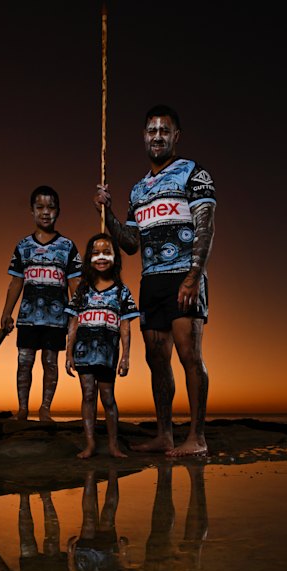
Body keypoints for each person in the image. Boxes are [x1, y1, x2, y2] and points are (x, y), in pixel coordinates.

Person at [94, 104, 216, 457]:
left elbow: (206, 228)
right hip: (151, 282)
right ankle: (165, 435)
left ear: (176, 136)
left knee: (189, 355)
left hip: (184, 276)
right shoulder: (138, 190)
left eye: (164, 130)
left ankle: (197, 437)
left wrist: (194, 276)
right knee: (157, 360)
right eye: (152, 131)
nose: (157, 136)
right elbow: (130, 244)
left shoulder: (193, 173)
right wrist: (107, 212)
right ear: (144, 137)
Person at [0, 185, 82, 422]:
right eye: (40, 207)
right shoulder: (23, 246)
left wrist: (77, 315)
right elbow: (16, 282)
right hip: (28, 317)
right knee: (24, 361)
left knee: (50, 362)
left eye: (51, 207)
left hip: (56, 319)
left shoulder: (67, 246)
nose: (46, 212)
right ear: (32, 211)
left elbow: (75, 284)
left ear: (58, 211)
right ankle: (22, 409)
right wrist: (6, 312)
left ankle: (45, 409)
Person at [65, 232, 139, 459]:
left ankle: (114, 445)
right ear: (89, 258)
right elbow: (73, 323)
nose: (101, 257)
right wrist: (68, 354)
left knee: (107, 397)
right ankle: (90, 445)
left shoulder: (121, 291)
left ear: (116, 258)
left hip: (107, 354)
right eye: (95, 253)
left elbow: (125, 326)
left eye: (107, 252)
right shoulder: (82, 290)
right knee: (88, 394)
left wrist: (126, 356)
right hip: (83, 352)